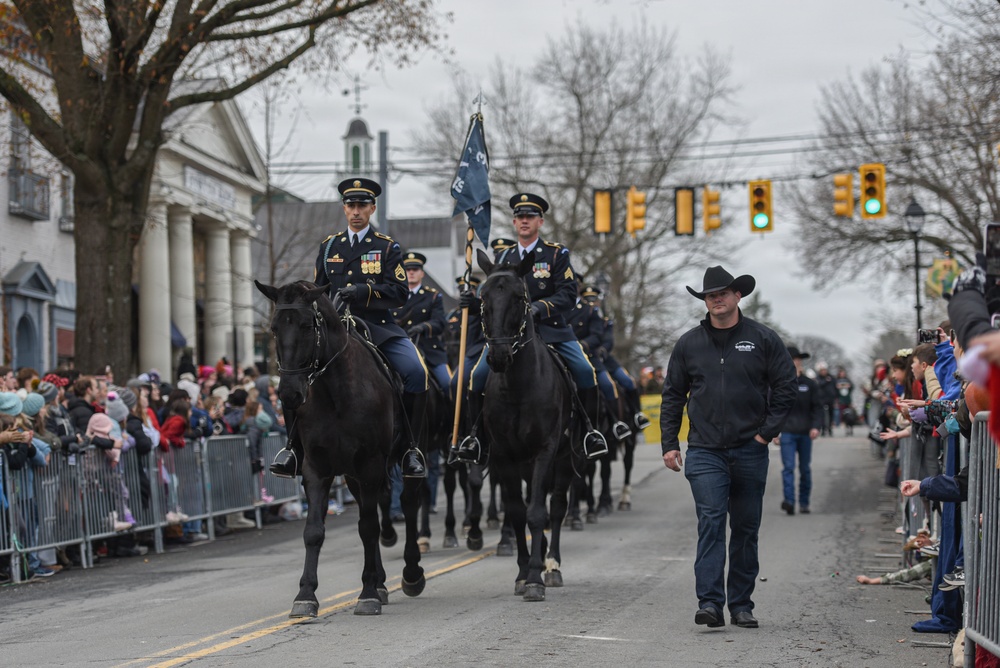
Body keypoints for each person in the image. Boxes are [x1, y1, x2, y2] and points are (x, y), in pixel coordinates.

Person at [659, 265, 797, 629]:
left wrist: (765, 434)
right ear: (704, 302)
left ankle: (741, 604)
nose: (716, 299)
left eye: (722, 293)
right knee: (711, 521)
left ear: (738, 296)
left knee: (746, 528)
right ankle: (709, 602)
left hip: (750, 448)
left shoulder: (763, 339)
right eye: (710, 295)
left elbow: (786, 388)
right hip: (704, 451)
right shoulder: (689, 343)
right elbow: (673, 395)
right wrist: (669, 443)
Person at [270, 177, 427, 479]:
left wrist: (361, 291)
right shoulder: (329, 247)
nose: (356, 211)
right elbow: (317, 292)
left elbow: (399, 292)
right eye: (351, 205)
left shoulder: (386, 247)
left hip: (378, 327)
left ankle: (410, 449)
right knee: (293, 374)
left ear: (372, 208)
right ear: (344, 208)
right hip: (334, 329)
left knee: (416, 373)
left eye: (362, 205)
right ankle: (293, 449)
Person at [454, 192, 609, 463]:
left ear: (540, 221)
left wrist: (538, 308)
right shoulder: (504, 256)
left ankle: (589, 432)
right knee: (477, 377)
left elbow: (568, 293)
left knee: (586, 371)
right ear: (514, 223)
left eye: (530, 216)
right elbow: (494, 294)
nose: (524, 221)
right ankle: (475, 437)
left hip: (552, 329)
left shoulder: (556, 254)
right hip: (512, 334)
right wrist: (473, 297)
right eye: (520, 217)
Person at [572, 283, 631, 440]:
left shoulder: (601, 318)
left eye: (593, 299)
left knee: (615, 383)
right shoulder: (573, 312)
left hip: (597, 357)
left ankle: (621, 422)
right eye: (587, 299)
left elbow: (605, 339)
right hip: (575, 355)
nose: (591, 302)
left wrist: (602, 350)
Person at [393, 251, 450, 394]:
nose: (411, 272)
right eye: (408, 269)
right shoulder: (393, 296)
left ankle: (452, 416)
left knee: (447, 384)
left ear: (422, 273)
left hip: (429, 350)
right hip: (399, 348)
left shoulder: (433, 296)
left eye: (415, 269)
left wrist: (423, 327)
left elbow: (440, 322)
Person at [776, 346, 822, 515]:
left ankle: (804, 502)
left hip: (805, 432)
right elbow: (773, 408)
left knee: (805, 469)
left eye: (796, 359)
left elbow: (817, 408)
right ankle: (789, 501)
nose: (795, 362)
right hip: (787, 431)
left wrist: (816, 427)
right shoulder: (778, 383)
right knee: (788, 467)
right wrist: (773, 430)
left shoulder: (809, 384)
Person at [814, 362, 837, 436]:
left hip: (830, 398)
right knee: (822, 415)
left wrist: (836, 397)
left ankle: (830, 428)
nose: (824, 372)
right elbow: (818, 384)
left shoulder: (831, 377)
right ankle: (823, 429)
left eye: (824, 370)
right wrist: (826, 381)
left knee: (831, 414)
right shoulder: (818, 378)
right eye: (822, 370)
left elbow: (835, 386)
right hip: (822, 399)